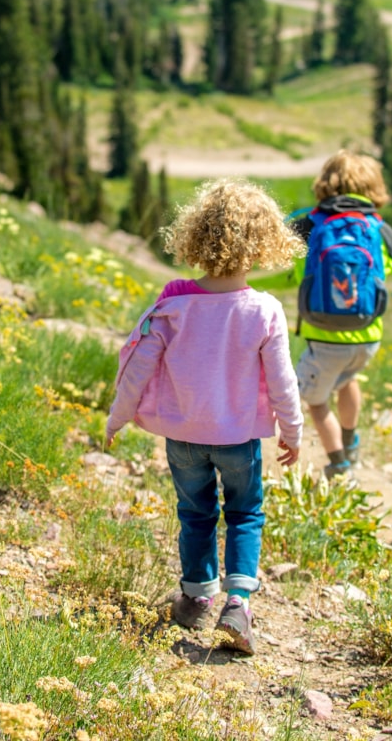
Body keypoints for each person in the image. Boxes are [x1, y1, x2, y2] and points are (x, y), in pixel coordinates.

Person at [105, 179, 304, 655]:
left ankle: (195, 596)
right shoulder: (265, 310)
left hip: (184, 439)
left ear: (195, 237)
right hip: (239, 440)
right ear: (262, 246)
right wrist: (293, 432)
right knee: (244, 513)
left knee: (195, 513)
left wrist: (117, 417)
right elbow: (283, 381)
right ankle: (237, 604)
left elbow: (136, 368)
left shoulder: (172, 306)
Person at [291, 151, 392, 480]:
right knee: (348, 380)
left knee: (317, 403)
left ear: (325, 183)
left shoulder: (311, 222)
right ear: (373, 186)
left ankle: (338, 465)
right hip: (368, 335)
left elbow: (286, 267)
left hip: (324, 336)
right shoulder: (377, 227)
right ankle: (352, 446)